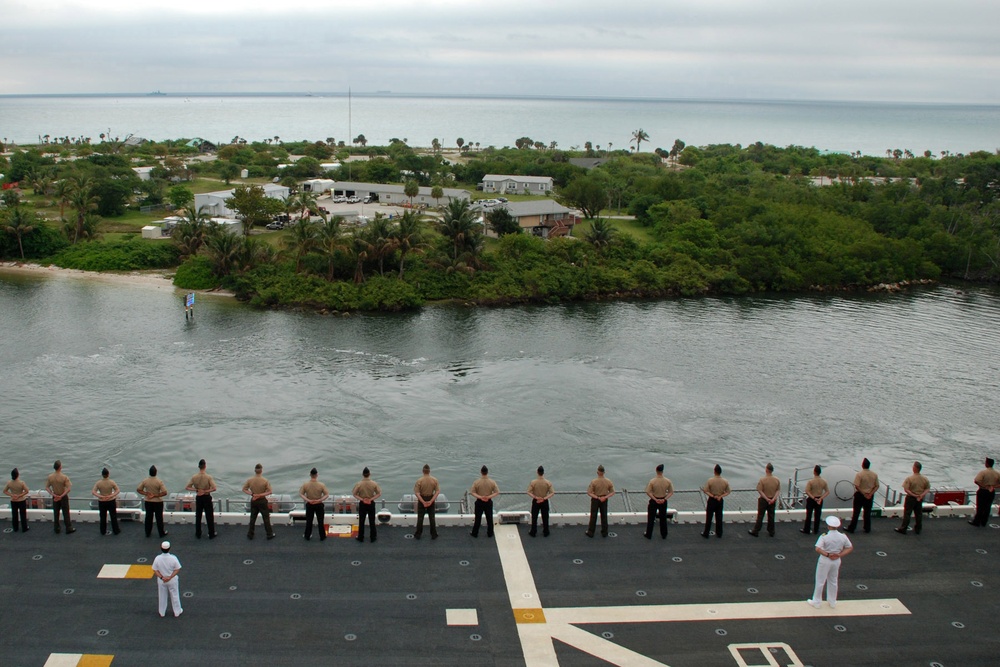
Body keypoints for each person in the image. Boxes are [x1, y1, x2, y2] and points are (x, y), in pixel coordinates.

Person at [807, 516, 853, 609]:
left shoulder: (824, 536)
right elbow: (850, 547)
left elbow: (818, 548)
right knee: (833, 580)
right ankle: (832, 601)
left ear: (829, 526)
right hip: (836, 560)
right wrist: (839, 555)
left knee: (820, 580)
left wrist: (827, 554)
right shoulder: (843, 536)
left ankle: (817, 601)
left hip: (825, 560)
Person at [185, 459, 217, 539]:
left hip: (199, 497)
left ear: (199, 467)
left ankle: (198, 533)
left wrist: (197, 490)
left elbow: (187, 487)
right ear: (205, 466)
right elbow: (214, 488)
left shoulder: (194, 477)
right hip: (206, 497)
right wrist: (205, 491)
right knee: (209, 516)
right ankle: (211, 533)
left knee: (198, 516)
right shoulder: (208, 477)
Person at [895, 461, 930, 535]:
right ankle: (918, 528)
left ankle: (904, 528)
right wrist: (921, 495)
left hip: (911, 498)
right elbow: (927, 489)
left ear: (915, 468)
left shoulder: (910, 478)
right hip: (919, 498)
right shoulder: (924, 479)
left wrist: (914, 495)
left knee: (907, 513)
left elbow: (906, 489)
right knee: (918, 514)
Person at [845, 458, 879, 534]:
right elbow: (877, 486)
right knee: (867, 512)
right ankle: (867, 528)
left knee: (856, 512)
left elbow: (857, 486)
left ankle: (852, 528)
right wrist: (870, 494)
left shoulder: (859, 474)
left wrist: (864, 494)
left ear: (862, 465)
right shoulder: (874, 475)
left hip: (860, 495)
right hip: (870, 496)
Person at [152, 541, 183, 618]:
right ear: (169, 549)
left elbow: (155, 570)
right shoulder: (173, 558)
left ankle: (162, 612)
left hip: (161, 580)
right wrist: (170, 577)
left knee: (162, 596)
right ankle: (177, 611)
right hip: (172, 580)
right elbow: (177, 568)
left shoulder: (157, 558)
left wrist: (162, 577)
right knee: (175, 595)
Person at [243, 463, 274, 540]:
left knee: (253, 518)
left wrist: (253, 494)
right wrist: (260, 495)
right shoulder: (265, 481)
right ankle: (269, 534)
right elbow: (270, 492)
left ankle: (250, 534)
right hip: (262, 501)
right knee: (266, 518)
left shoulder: (250, 480)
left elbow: (244, 489)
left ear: (255, 471)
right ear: (261, 471)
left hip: (253, 500)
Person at [749, 463, 781, 537]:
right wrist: (773, 499)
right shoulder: (777, 480)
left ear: (766, 470)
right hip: (772, 500)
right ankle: (771, 531)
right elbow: (778, 490)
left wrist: (766, 499)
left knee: (760, 516)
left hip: (764, 500)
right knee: (771, 516)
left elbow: (760, 490)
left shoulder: (762, 480)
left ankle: (756, 531)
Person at [644, 464, 674, 540]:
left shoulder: (652, 481)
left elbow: (648, 492)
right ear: (662, 471)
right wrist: (664, 499)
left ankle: (649, 534)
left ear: (656, 471)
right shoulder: (668, 481)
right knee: (663, 518)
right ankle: (664, 534)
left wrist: (655, 499)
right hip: (663, 500)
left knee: (651, 518)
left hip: (654, 501)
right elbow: (671, 492)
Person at [137, 465, 168, 538]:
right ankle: (161, 533)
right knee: (159, 518)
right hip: (158, 502)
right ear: (156, 473)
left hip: (148, 502)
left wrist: (146, 493)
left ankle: (147, 533)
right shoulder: (159, 481)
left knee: (148, 518)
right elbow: (165, 492)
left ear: (149, 473)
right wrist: (156, 495)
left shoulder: (145, 481)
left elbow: (138, 489)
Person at [352, 467, 382, 543]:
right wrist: (371, 499)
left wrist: (362, 499)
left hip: (362, 504)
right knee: (372, 520)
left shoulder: (359, 484)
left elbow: (354, 494)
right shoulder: (374, 483)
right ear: (369, 474)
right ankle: (373, 537)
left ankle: (360, 537)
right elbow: (379, 493)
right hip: (371, 503)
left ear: (363, 474)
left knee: (361, 521)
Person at [299, 467, 330, 541]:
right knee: (320, 521)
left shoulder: (305, 484)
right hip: (319, 504)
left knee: (309, 521)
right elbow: (327, 495)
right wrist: (320, 500)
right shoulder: (321, 485)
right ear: (317, 475)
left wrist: (308, 500)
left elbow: (301, 494)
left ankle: (307, 535)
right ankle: (322, 536)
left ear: (310, 474)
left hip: (310, 504)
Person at [469, 465, 500, 539]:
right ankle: (490, 533)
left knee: (478, 518)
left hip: (479, 502)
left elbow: (472, 492)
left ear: (481, 472)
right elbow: (497, 492)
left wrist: (480, 497)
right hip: (488, 502)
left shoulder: (477, 482)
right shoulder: (492, 482)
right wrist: (488, 497)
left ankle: (475, 533)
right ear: (487, 472)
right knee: (489, 518)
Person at [585, 465, 615, 538]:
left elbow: (589, 492)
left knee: (593, 516)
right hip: (604, 499)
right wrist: (605, 497)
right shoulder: (608, 481)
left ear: (597, 472)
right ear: (604, 472)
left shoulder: (594, 481)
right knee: (604, 516)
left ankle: (591, 532)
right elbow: (612, 492)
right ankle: (604, 532)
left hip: (596, 499)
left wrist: (598, 497)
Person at [701, 464, 730, 538]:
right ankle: (719, 533)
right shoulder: (725, 481)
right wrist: (720, 496)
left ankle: (706, 533)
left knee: (709, 517)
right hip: (720, 500)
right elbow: (728, 492)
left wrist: (713, 496)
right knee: (719, 517)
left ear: (714, 471)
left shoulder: (710, 480)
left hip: (712, 500)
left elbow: (706, 490)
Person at [46, 460, 75, 534]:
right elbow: (68, 489)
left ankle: (57, 528)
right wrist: (61, 496)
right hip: (63, 496)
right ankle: (68, 528)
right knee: (65, 513)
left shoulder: (50, 477)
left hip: (55, 496)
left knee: (56, 513)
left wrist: (53, 494)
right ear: (60, 467)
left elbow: (47, 487)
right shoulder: (64, 477)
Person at [969, 457, 999, 527]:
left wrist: (984, 486)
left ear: (987, 464)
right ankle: (984, 522)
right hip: (991, 492)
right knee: (988, 507)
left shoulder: (983, 472)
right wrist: (993, 486)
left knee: (980, 507)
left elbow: (977, 480)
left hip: (983, 491)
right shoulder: (997, 473)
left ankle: (977, 521)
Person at [413, 464, 440, 540]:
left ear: (423, 471)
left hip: (422, 498)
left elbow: (417, 493)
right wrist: (431, 501)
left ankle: (418, 534)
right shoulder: (435, 480)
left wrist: (423, 502)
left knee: (420, 518)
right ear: (429, 471)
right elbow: (437, 491)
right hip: (431, 497)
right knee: (432, 517)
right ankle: (433, 534)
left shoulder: (419, 480)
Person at [91, 468, 121, 536]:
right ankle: (116, 530)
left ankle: (103, 531)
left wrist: (100, 496)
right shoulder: (111, 482)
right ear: (108, 474)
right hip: (111, 501)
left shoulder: (98, 483)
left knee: (103, 517)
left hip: (102, 501)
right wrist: (111, 495)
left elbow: (93, 492)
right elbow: (117, 490)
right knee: (113, 516)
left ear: (102, 475)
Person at [526, 466, 554, 537]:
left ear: (537, 472)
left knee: (534, 517)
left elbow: (528, 492)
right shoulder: (548, 482)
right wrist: (544, 498)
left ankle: (533, 531)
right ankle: (546, 531)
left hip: (536, 501)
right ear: (543, 473)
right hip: (544, 501)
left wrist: (536, 497)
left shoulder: (533, 482)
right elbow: (552, 493)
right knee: (545, 517)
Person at [801, 465, 829, 534]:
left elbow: (807, 491)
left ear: (814, 472)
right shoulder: (824, 481)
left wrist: (813, 498)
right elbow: (827, 491)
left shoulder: (811, 481)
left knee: (809, 515)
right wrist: (821, 498)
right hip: (820, 498)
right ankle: (816, 529)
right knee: (818, 515)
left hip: (812, 499)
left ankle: (807, 529)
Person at [3, 468, 30, 533]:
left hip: (13, 500)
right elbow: (27, 491)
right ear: (18, 475)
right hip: (21, 500)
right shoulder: (21, 483)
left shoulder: (9, 483)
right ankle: (24, 528)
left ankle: (15, 528)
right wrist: (19, 495)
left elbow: (4, 491)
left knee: (14, 515)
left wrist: (12, 495)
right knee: (23, 514)